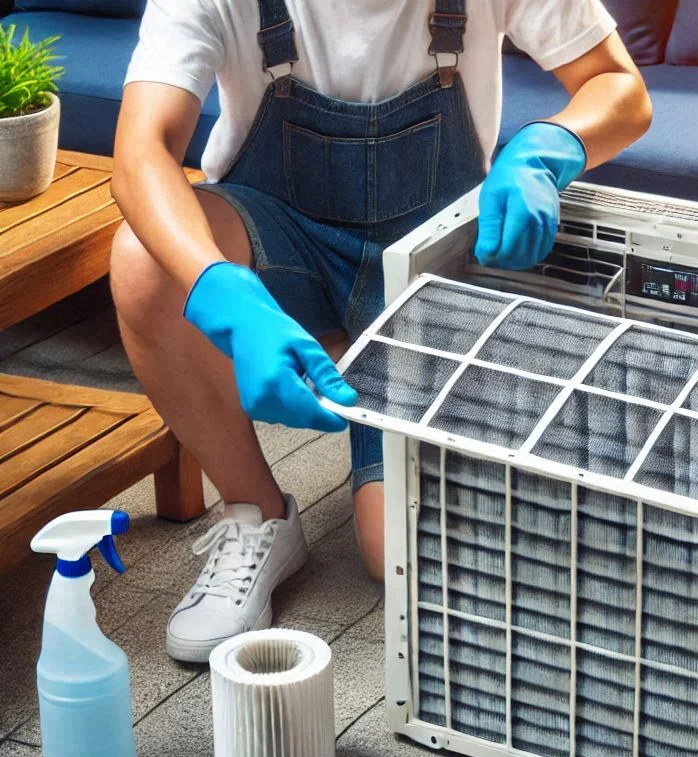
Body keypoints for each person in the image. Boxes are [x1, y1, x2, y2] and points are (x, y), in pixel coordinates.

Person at [110, 0, 652, 662]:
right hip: (281, 251)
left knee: (391, 551)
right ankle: (256, 511)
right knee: (144, 261)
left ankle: (388, 426)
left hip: (423, 266)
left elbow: (618, 86)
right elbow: (141, 151)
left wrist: (548, 146)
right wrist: (225, 295)